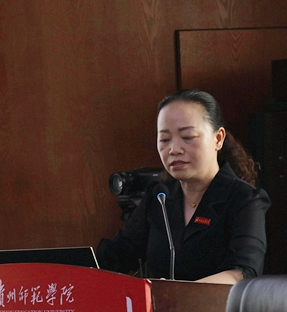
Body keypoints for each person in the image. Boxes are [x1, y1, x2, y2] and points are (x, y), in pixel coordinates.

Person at [97, 89, 270, 284]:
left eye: (187, 137)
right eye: (164, 139)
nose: (174, 149)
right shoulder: (160, 197)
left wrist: (181, 295)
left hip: (220, 304)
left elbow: (243, 272)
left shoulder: (245, 199)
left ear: (218, 139)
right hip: (164, 304)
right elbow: (114, 257)